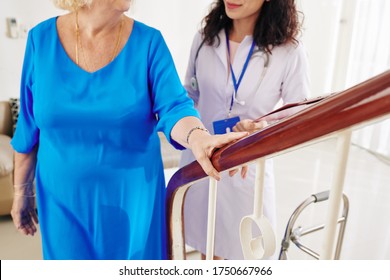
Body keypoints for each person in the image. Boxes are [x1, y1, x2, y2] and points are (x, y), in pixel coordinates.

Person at [9, 0, 248, 260]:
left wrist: (198, 138)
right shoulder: (40, 41)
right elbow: (28, 130)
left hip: (133, 204)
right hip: (61, 204)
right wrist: (22, 192)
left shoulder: (149, 43)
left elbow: (175, 107)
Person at [180, 0, 310, 259]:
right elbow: (189, 94)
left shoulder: (289, 51)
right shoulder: (205, 39)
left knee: (242, 252)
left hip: (246, 169)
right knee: (204, 247)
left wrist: (263, 127)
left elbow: (299, 116)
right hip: (199, 161)